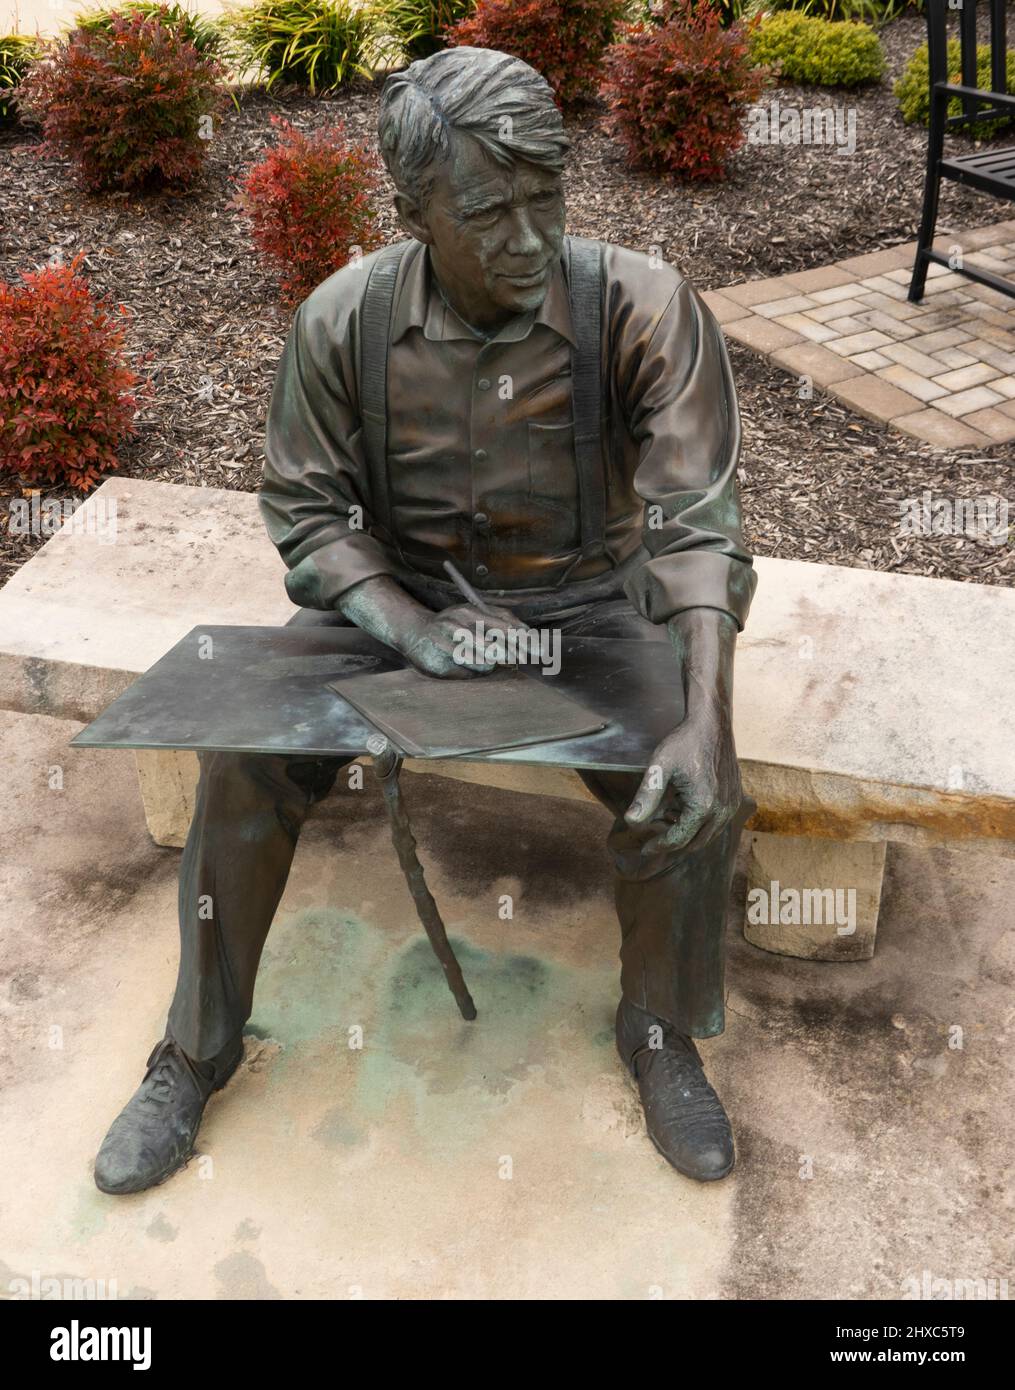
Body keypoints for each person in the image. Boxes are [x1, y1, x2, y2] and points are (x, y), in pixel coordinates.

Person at [94, 45, 757, 1195]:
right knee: (239, 764)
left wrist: (703, 717)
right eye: (489, 211)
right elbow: (305, 507)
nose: (529, 233)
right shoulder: (341, 322)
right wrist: (400, 621)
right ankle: (192, 1050)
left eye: (545, 194)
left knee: (693, 773)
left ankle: (658, 1028)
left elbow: (698, 526)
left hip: (587, 608)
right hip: (394, 603)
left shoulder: (644, 308)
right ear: (412, 213)